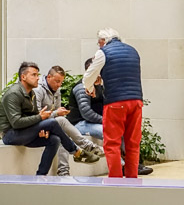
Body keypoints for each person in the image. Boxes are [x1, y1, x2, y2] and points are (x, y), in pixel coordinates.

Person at [0, 62, 99, 175]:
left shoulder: (31, 93)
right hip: (10, 135)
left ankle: (41, 176)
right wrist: (40, 118)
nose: (38, 78)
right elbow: (16, 122)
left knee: (54, 140)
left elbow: (32, 117)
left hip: (23, 131)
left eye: (37, 75)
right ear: (23, 77)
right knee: (52, 122)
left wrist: (41, 129)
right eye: (34, 75)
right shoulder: (13, 94)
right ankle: (76, 152)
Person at [68, 58, 153, 175]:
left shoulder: (99, 86)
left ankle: (132, 164)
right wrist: (105, 121)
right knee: (108, 132)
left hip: (95, 122)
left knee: (122, 131)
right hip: (80, 124)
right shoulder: (81, 87)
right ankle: (122, 166)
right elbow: (86, 113)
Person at [83, 28, 145, 178]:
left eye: (99, 43)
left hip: (115, 103)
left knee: (112, 144)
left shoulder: (103, 52)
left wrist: (90, 88)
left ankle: (116, 181)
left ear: (103, 41)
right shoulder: (133, 51)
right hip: (136, 101)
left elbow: (88, 77)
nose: (99, 46)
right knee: (132, 143)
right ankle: (132, 179)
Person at [33, 65, 103, 176]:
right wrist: (56, 113)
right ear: (49, 77)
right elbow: (36, 115)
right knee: (61, 121)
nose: (59, 85)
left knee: (62, 134)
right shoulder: (38, 90)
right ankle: (87, 146)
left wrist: (57, 113)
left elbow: (55, 114)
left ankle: (63, 171)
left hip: (50, 124)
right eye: (57, 81)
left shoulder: (57, 90)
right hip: (37, 124)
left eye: (61, 82)